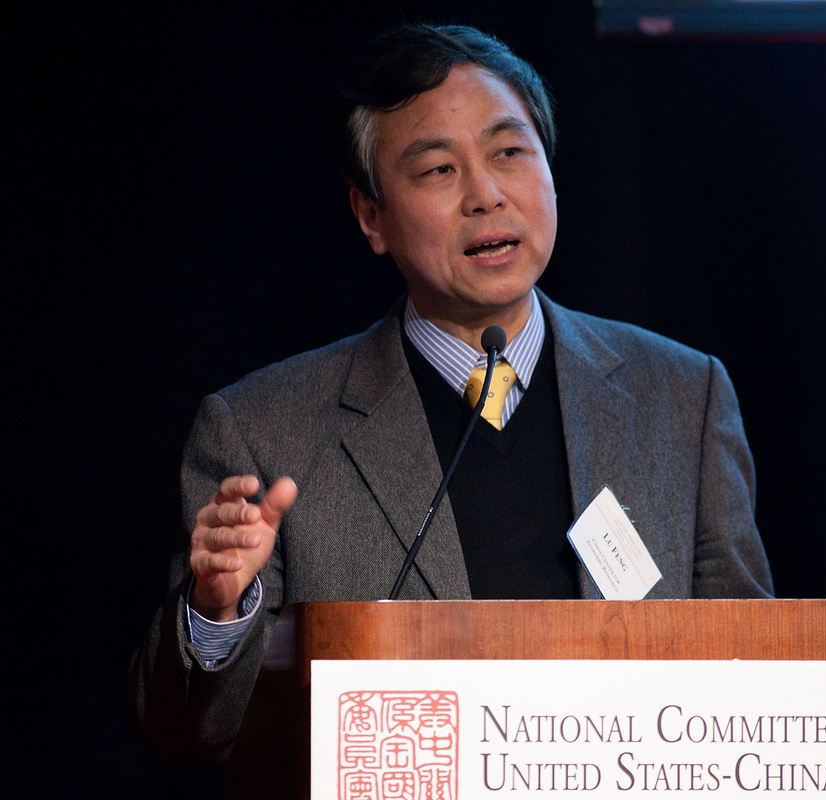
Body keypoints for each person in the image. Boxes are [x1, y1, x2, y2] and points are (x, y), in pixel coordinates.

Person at [130, 22, 773, 769]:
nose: (486, 196)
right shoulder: (262, 432)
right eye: (438, 169)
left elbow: (753, 681)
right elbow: (185, 736)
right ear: (371, 216)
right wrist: (216, 613)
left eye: (509, 153)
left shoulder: (683, 397)